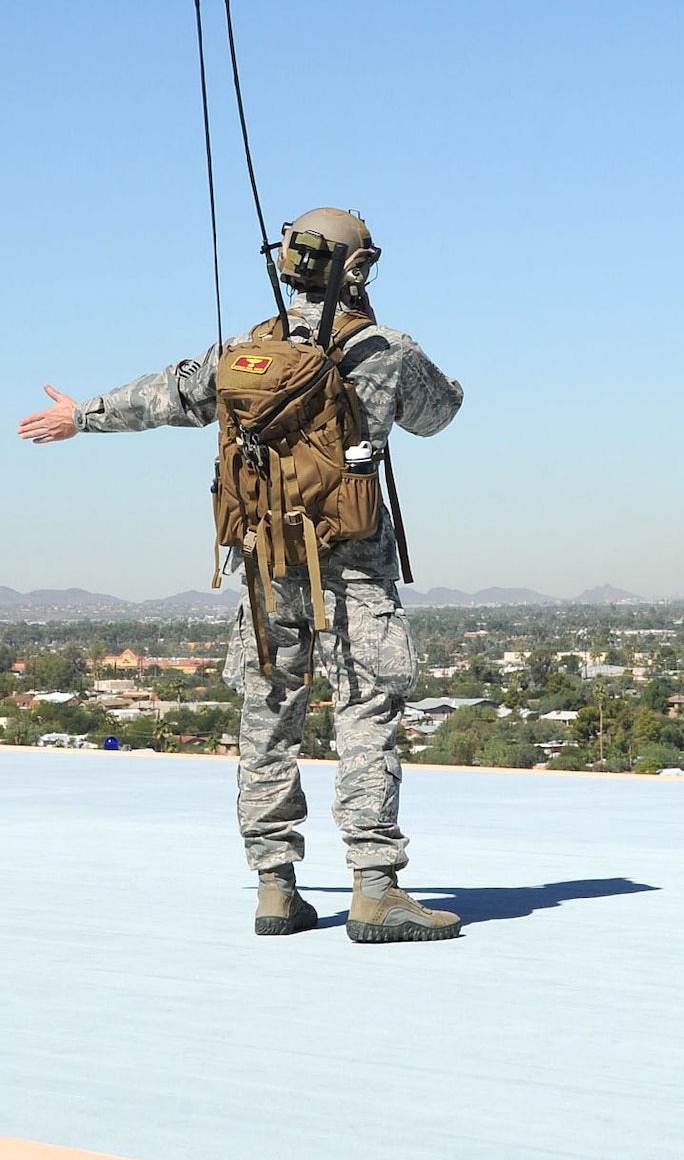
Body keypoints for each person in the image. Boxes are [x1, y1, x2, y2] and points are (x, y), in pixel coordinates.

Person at [17, 207, 464, 945]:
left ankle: (274, 888)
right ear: (357, 268)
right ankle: (375, 889)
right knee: (365, 716)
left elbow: (164, 395)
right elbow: (438, 414)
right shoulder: (386, 350)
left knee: (268, 722)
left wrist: (81, 416)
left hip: (263, 567)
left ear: (287, 262)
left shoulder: (242, 353)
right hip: (352, 570)